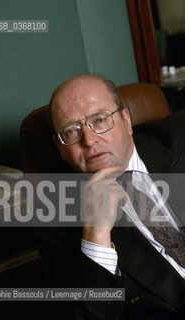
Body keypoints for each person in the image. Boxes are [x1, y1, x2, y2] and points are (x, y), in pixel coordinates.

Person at [42, 74, 185, 319]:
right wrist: (96, 234)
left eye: (99, 119)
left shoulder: (180, 137)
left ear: (126, 120)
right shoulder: (54, 220)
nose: (89, 140)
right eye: (71, 131)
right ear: (60, 148)